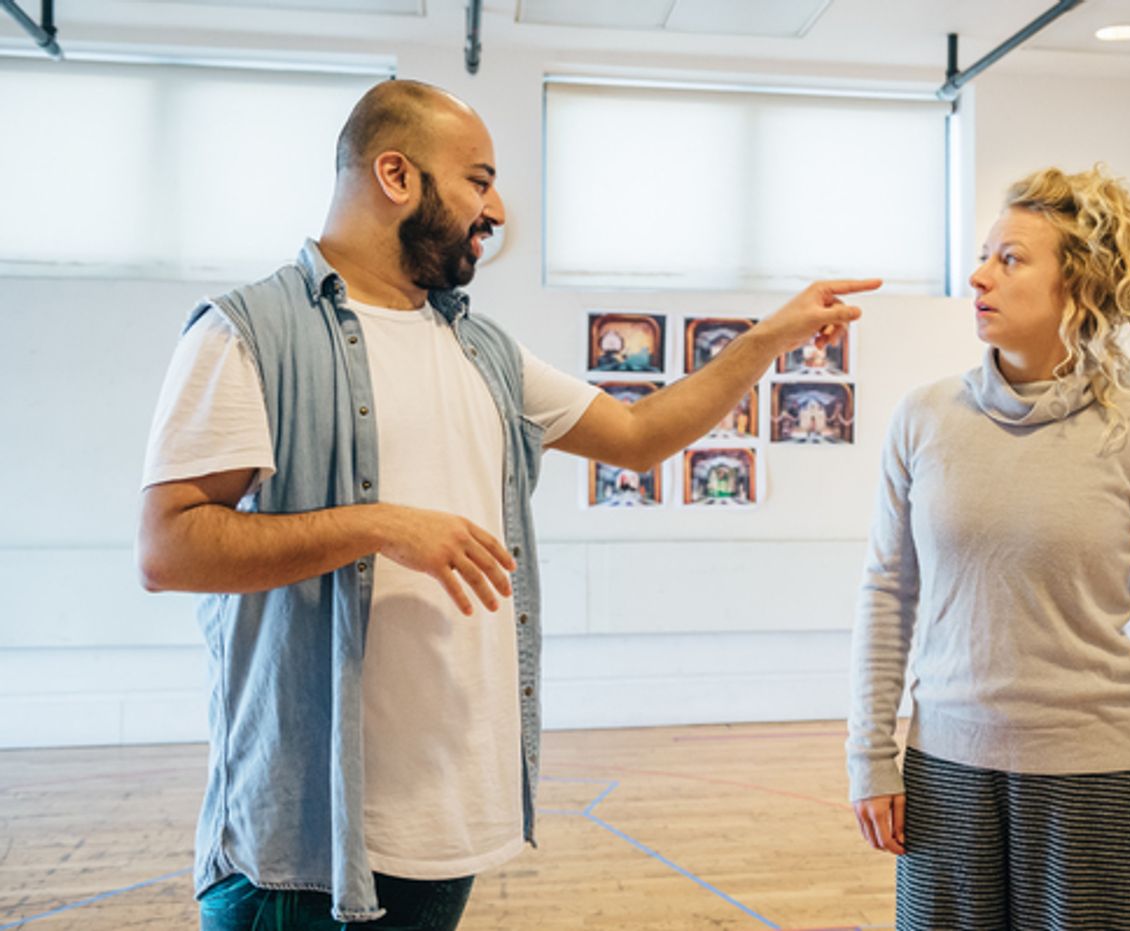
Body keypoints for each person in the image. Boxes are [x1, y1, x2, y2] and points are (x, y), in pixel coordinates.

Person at [137, 78, 878, 930]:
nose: (494, 209)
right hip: (302, 847)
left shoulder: (483, 348)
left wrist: (766, 340)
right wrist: (380, 525)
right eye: (478, 180)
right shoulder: (245, 334)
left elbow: (638, 435)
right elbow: (168, 548)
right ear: (396, 175)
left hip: (447, 826)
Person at [846, 165, 1130, 931]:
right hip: (945, 773)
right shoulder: (923, 419)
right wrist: (870, 755)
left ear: (1078, 284)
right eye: (984, 254)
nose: (979, 275)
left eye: (1010, 258)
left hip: (1097, 779)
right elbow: (887, 594)